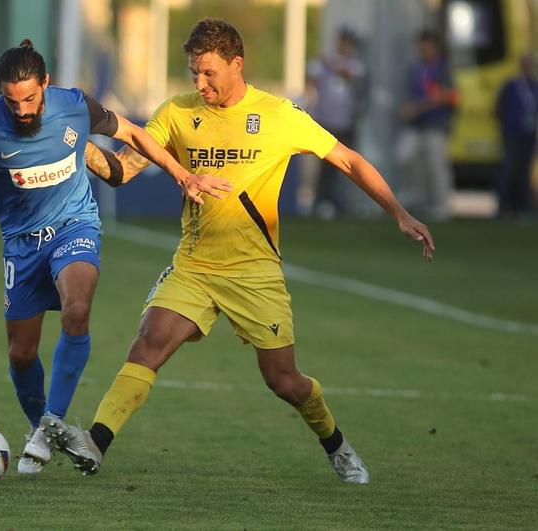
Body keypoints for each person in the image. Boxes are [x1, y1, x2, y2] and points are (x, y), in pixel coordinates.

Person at [41, 18, 435, 484]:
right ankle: (96, 443)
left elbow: (347, 159)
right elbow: (122, 170)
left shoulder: (277, 115)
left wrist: (398, 213)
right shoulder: (175, 113)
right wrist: (74, 145)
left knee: (284, 380)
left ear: (236, 64)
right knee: (148, 343)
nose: (200, 83)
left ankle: (336, 443)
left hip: (255, 272)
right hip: (195, 264)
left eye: (208, 72)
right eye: (193, 73)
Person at [0, 39, 230, 476]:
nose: (21, 110)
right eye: (11, 101)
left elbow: (135, 133)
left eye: (29, 98)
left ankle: (51, 421)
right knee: (21, 354)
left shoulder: (75, 105)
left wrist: (183, 175)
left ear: (45, 83)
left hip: (75, 228)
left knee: (76, 310)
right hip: (21, 246)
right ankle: (40, 426)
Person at [396, 30, 459, 221]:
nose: (422, 49)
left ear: (434, 47)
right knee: (404, 156)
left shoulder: (443, 68)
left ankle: (442, 206)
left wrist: (418, 107)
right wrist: (407, 108)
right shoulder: (415, 68)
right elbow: (412, 95)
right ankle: (416, 198)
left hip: (436, 123)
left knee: (436, 165)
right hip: (416, 125)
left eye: (426, 45)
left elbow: (447, 95)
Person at [306, 27, 368, 218]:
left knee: (347, 166)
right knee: (325, 168)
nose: (343, 46)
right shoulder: (323, 62)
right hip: (325, 123)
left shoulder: (356, 65)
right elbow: (310, 75)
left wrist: (330, 64)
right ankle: (322, 203)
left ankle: (343, 204)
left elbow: (352, 75)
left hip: (345, 124)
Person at [494, 52, 538, 218]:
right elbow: (498, 108)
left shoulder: (535, 85)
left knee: (524, 171)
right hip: (512, 133)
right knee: (509, 168)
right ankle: (503, 207)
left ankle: (523, 207)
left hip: (529, 134)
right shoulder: (511, 85)